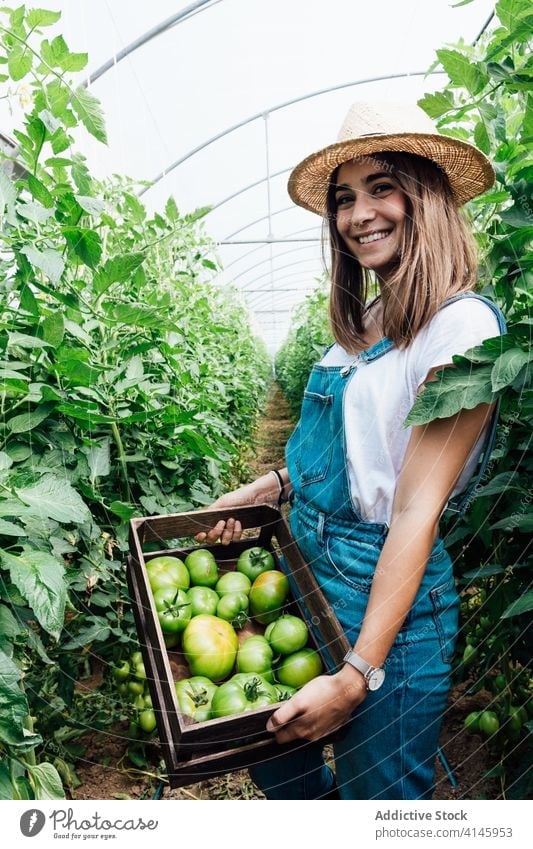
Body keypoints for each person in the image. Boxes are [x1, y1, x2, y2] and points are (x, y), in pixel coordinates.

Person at [196, 101, 506, 799]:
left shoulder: (459, 330)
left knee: (379, 808)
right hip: (306, 564)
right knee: (277, 758)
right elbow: (357, 449)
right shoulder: (367, 320)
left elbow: (413, 510)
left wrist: (360, 669)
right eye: (344, 198)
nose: (358, 213)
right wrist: (272, 485)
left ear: (423, 197)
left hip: (381, 595)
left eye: (381, 187)